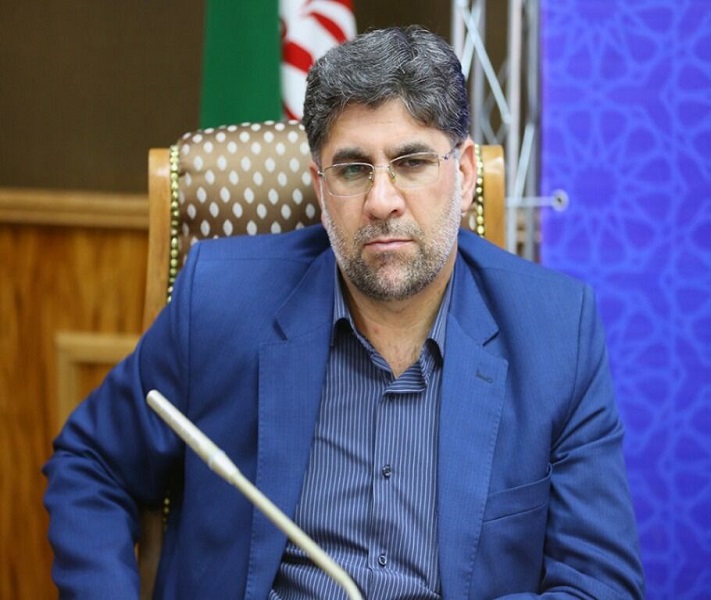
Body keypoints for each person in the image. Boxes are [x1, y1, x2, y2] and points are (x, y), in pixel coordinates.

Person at [44, 25, 645, 599]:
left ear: (463, 177)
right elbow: (91, 463)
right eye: (354, 169)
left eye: (411, 162)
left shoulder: (556, 332)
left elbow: (600, 585)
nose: (381, 201)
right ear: (319, 187)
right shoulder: (220, 301)